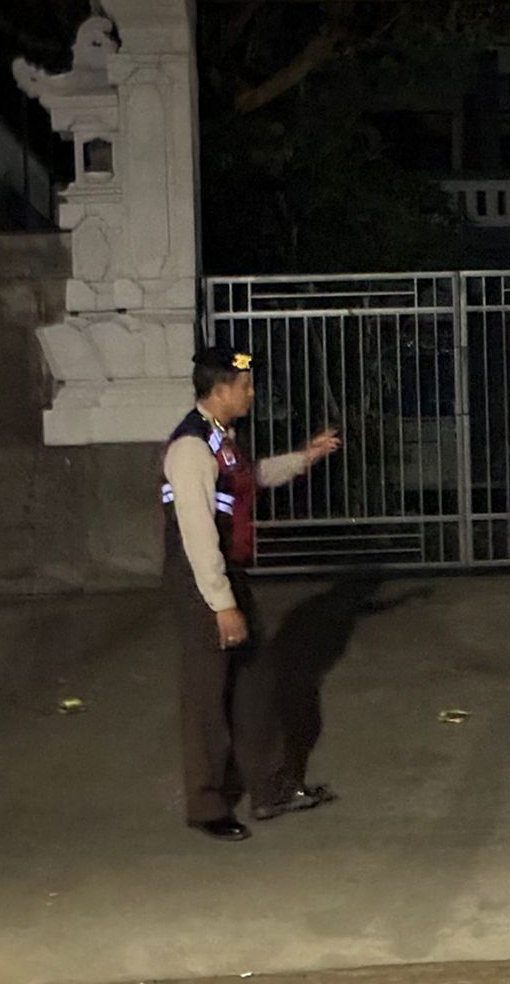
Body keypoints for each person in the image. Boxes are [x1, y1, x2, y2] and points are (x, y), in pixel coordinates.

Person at [162, 345, 339, 842]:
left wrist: (304, 458)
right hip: (201, 580)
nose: (252, 393)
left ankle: (270, 789)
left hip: (226, 574)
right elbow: (198, 534)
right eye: (245, 386)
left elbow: (250, 478)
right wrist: (221, 604)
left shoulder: (222, 440)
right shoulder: (191, 449)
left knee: (256, 686)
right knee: (206, 694)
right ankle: (207, 806)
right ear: (220, 390)